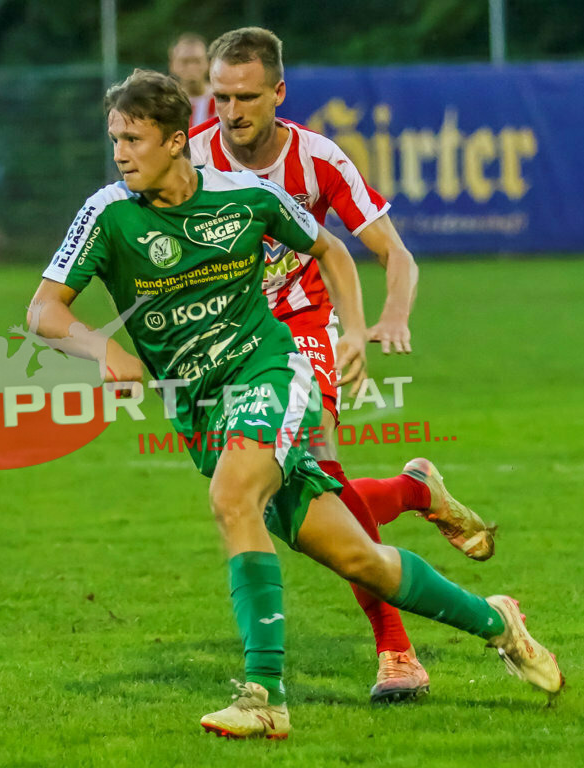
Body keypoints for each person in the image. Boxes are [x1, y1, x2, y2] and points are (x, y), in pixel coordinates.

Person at [27, 68, 562, 740]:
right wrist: (99, 348)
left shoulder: (246, 196)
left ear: (174, 140)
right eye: (115, 140)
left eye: (133, 139)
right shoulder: (107, 212)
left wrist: (351, 330)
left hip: (270, 371)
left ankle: (264, 697)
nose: (120, 154)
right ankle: (498, 623)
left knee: (232, 498)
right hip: (201, 409)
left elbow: (331, 250)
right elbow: (44, 310)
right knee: (359, 558)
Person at [191, 27, 496, 702]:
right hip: (234, 343)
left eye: (247, 97)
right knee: (294, 504)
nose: (232, 111)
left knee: (319, 466)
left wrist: (390, 317)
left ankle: (396, 651)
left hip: (305, 329)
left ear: (278, 93)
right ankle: (414, 491)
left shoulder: (318, 159)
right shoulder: (194, 158)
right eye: (221, 97)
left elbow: (395, 252)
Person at [168, 33, 215, 128]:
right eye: (185, 61)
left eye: (197, 61)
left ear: (208, 64)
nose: (191, 67)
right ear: (172, 65)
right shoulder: (165, 104)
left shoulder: (224, 99)